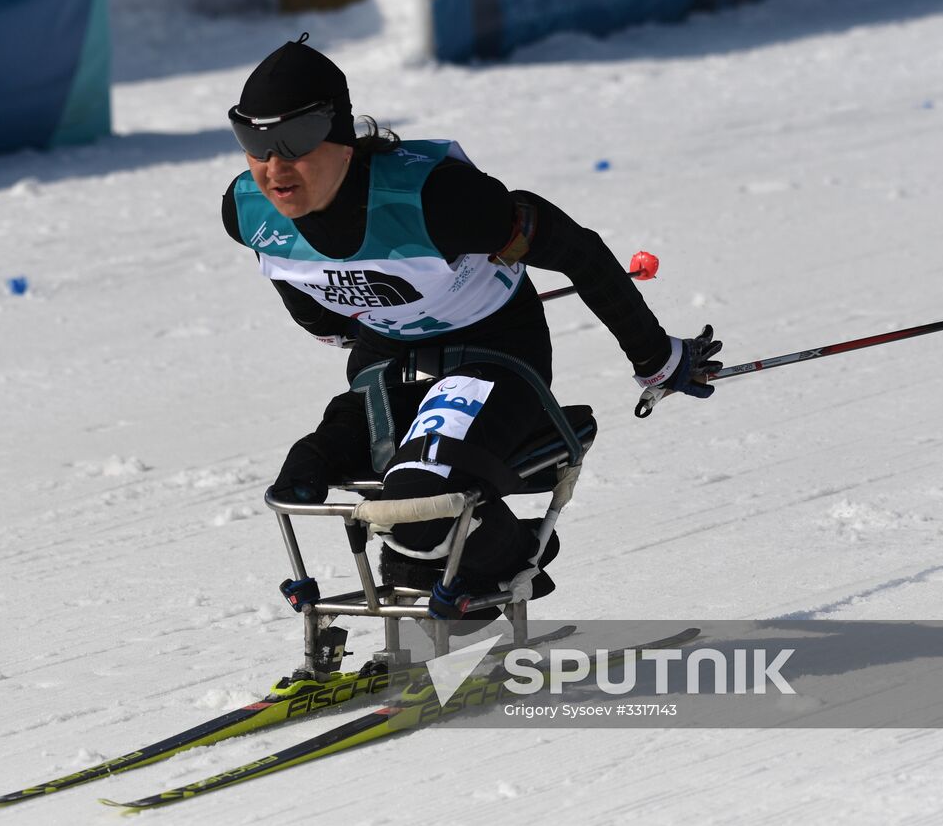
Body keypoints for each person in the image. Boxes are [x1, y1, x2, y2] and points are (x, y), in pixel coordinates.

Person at [220, 35, 721, 618]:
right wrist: (357, 325)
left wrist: (657, 358)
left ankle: (508, 560)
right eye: (253, 141)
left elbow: (578, 251)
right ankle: (420, 575)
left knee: (419, 502)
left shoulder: (441, 201)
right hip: (387, 362)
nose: (273, 167)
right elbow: (298, 282)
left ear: (344, 139)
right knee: (303, 479)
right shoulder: (247, 210)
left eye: (296, 141)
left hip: (491, 354)